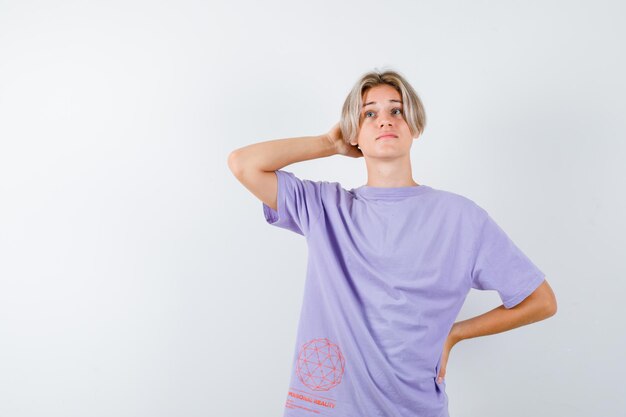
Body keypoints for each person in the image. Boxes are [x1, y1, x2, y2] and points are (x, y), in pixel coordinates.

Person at [227, 68, 557, 417]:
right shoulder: (324, 208)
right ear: (354, 132)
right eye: (370, 113)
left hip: (413, 408)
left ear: (414, 125)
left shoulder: (461, 218)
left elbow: (540, 301)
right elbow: (244, 164)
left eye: (396, 111)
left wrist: (454, 333)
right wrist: (330, 143)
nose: (384, 121)